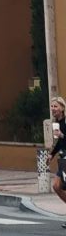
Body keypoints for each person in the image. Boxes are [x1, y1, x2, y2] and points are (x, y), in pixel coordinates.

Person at [48, 96, 66, 224]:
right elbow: (59, 142)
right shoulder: (57, 123)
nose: (53, 109)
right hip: (63, 158)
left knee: (60, 186)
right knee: (56, 186)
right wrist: (51, 154)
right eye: (52, 106)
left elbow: (62, 138)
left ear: (62, 108)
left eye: (56, 106)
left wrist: (62, 135)